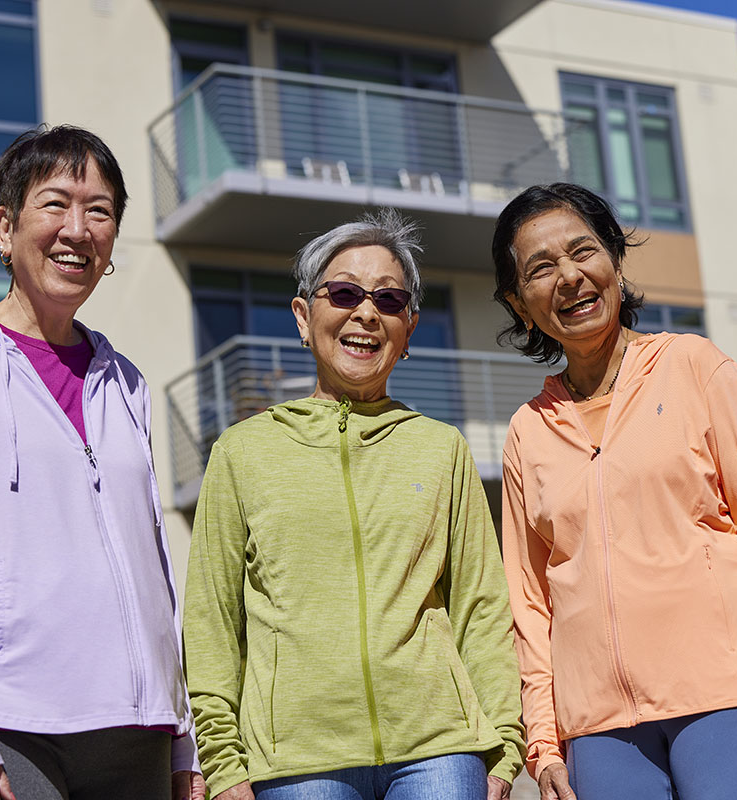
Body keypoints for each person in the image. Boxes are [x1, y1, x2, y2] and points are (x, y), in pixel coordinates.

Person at [0, 125, 204, 800]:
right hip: (8, 728)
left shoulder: (127, 382)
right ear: (6, 226)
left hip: (137, 727)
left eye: (101, 210)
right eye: (55, 204)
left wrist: (185, 741)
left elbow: (156, 566)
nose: (78, 229)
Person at [492, 183, 737, 800]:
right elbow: (528, 603)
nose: (569, 277)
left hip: (726, 696)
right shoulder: (526, 432)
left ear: (614, 258)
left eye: (583, 251)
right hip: (598, 729)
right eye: (541, 268)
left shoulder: (698, 368)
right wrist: (541, 737)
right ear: (520, 302)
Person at [183, 210, 525, 800]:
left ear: (410, 328)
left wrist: (503, 747)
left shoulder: (442, 448)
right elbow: (212, 621)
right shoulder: (242, 452)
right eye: (343, 293)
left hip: (441, 753)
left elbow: (482, 606)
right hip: (294, 761)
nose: (366, 313)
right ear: (303, 315)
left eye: (389, 301)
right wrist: (223, 766)